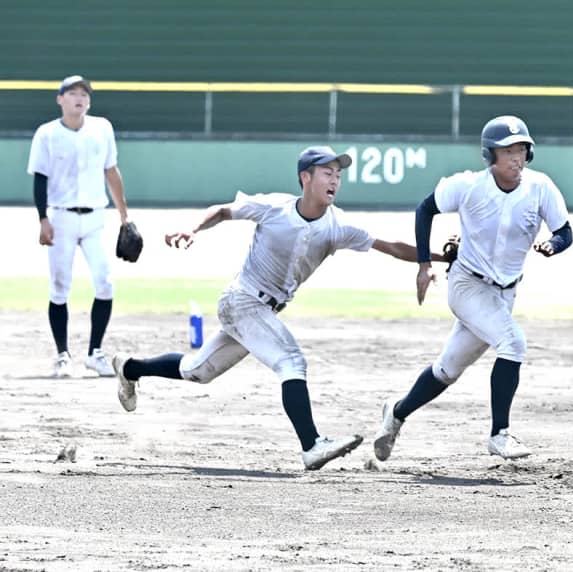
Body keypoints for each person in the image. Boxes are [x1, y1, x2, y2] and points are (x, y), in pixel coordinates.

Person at [112, 145, 445, 471]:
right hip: (242, 300)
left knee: (197, 370)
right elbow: (223, 211)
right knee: (291, 361)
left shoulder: (337, 225)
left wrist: (439, 258)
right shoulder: (275, 208)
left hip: (261, 311)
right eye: (327, 173)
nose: (335, 181)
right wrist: (192, 228)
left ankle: (129, 368)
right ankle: (312, 446)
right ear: (306, 177)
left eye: (338, 175)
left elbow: (391, 245)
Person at [373, 115, 573, 462]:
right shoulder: (467, 186)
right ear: (490, 155)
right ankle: (500, 434)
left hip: (504, 293)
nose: (516, 158)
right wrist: (424, 264)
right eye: (507, 150)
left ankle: (397, 412)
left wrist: (554, 244)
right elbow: (425, 209)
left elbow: (565, 231)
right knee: (512, 343)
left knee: (447, 370)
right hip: (467, 285)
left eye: (521, 149)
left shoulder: (540, 187)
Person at [27, 75, 130, 378]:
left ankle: (95, 353)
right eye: (72, 93)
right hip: (60, 218)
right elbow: (40, 178)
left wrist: (126, 216)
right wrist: (42, 219)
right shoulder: (47, 134)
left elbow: (111, 171)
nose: (79, 98)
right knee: (60, 286)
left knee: (105, 282)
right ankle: (62, 355)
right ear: (60, 99)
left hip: (96, 216)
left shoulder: (102, 128)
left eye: (84, 93)